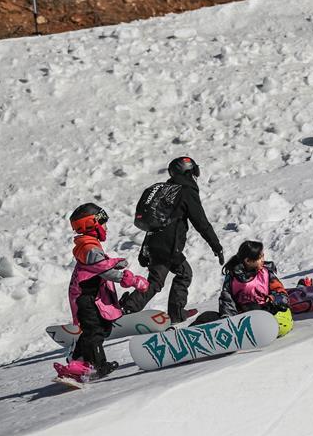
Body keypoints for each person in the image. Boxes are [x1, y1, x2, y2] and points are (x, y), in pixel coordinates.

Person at [120, 157, 224, 323]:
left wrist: (145, 249)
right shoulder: (186, 191)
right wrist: (216, 246)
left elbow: (154, 223)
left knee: (158, 280)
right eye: (195, 171)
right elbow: (201, 222)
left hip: (155, 243)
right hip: (169, 245)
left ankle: (130, 309)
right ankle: (172, 313)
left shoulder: (167, 190)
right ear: (189, 172)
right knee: (181, 275)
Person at [54, 203, 149, 383]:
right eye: (103, 223)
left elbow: (100, 265)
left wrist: (115, 263)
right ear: (92, 224)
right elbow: (104, 270)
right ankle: (98, 365)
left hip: (89, 297)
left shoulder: (89, 245)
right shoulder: (89, 248)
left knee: (99, 329)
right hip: (85, 298)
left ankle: (78, 361)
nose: (106, 227)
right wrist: (132, 280)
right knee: (95, 331)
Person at [193, 241, 293, 337]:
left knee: (253, 308)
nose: (263, 259)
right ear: (248, 261)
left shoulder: (266, 274)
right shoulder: (232, 277)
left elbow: (282, 294)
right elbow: (227, 300)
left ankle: (239, 333)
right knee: (207, 316)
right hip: (241, 318)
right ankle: (185, 337)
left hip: (270, 315)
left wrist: (273, 298)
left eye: (263, 256)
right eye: (260, 257)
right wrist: (228, 320)